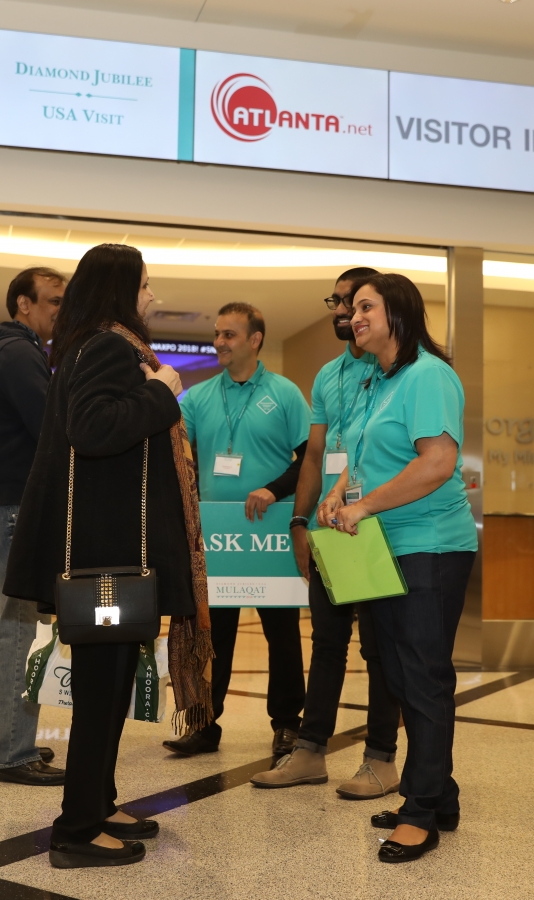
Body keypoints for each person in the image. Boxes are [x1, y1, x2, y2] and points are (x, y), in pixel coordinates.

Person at [4, 244, 214, 869]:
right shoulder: (107, 346)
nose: (154, 296)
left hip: (113, 555)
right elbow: (94, 431)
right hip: (105, 562)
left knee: (113, 684)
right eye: (146, 285)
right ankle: (75, 830)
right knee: (101, 690)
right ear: (122, 291)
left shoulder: (98, 345)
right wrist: (163, 392)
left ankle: (99, 800)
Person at [317, 272, 476, 864]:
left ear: (398, 314)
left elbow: (436, 463)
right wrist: (337, 495)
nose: (353, 316)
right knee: (401, 673)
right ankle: (441, 795)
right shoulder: (375, 381)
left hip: (430, 543)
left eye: (365, 306)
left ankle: (420, 810)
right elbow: (359, 457)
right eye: (352, 308)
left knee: (423, 673)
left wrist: (361, 505)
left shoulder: (429, 375)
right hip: (382, 545)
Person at [250, 268, 403, 799]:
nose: (342, 312)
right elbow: (314, 455)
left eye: (353, 303)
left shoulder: (395, 373)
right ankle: (311, 752)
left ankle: (381, 758)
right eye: (337, 302)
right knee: (328, 643)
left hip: (381, 522)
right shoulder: (327, 376)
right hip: (332, 523)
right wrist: (300, 519)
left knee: (381, 648)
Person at [163, 302, 311, 759]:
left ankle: (287, 724)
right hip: (216, 536)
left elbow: (309, 461)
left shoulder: (286, 394)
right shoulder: (200, 397)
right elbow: (175, 457)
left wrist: (272, 488)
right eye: (217, 334)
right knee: (213, 634)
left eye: (229, 334)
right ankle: (205, 725)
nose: (220, 342)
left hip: (269, 533)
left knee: (282, 635)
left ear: (255, 339)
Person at [0, 266, 66, 785]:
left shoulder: (2, 352)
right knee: (19, 627)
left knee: (1, 624)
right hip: (8, 508)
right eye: (51, 301)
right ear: (23, 305)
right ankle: (11, 751)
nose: (58, 311)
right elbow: (53, 425)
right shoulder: (21, 353)